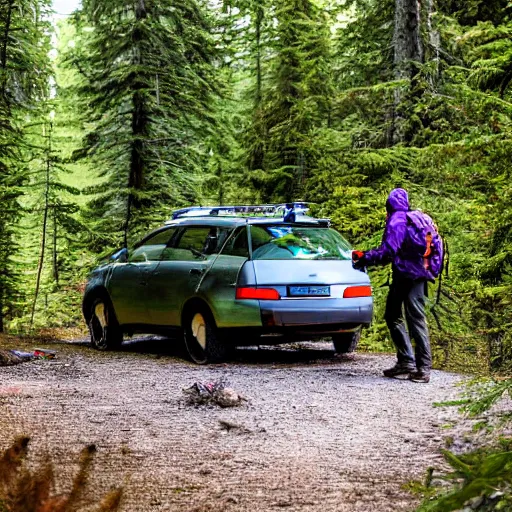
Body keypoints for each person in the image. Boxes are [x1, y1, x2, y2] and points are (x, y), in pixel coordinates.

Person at [352, 188, 439, 384]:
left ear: (389, 205)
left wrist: (365, 258)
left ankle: (422, 369)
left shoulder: (397, 221)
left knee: (413, 317)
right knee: (394, 314)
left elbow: (388, 252)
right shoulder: (413, 218)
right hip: (416, 273)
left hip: (409, 274)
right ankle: (406, 362)